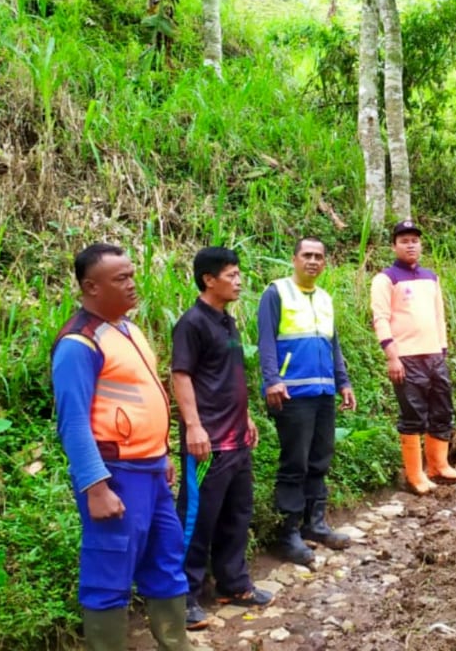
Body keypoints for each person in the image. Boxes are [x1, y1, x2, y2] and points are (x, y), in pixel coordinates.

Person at [50, 243, 192, 651]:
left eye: (132, 275)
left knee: (166, 561)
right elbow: (73, 423)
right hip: (116, 476)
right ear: (91, 287)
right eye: (121, 279)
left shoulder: (129, 329)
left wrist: (162, 453)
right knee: (108, 574)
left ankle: (175, 643)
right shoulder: (79, 343)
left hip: (151, 471)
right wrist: (96, 486)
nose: (132, 285)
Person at [171, 247, 273, 630]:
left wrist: (245, 416)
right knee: (197, 521)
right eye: (231, 275)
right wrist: (194, 426)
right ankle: (183, 597)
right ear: (208, 279)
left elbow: (228, 375)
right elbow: (181, 376)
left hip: (236, 440)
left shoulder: (227, 322)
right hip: (207, 445)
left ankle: (233, 584)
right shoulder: (191, 323)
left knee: (237, 515)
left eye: (238, 273)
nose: (239, 281)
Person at [257, 236, 356, 565]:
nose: (313, 261)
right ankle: (287, 534)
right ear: (295, 259)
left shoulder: (325, 298)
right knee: (294, 464)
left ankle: (314, 525)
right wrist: (272, 380)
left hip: (323, 392)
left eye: (319, 256)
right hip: (291, 393)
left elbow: (333, 344)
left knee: (319, 460)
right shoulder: (277, 292)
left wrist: (343, 381)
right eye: (307, 255)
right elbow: (266, 340)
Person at [370, 219, 456, 495]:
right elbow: (381, 318)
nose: (410, 245)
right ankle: (414, 474)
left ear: (420, 244)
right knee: (413, 414)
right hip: (406, 357)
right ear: (394, 246)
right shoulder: (385, 279)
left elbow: (439, 316)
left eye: (414, 240)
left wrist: (443, 349)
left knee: (442, 408)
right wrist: (392, 356)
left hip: (434, 354)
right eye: (404, 240)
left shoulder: (431, 277)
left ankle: (438, 465)